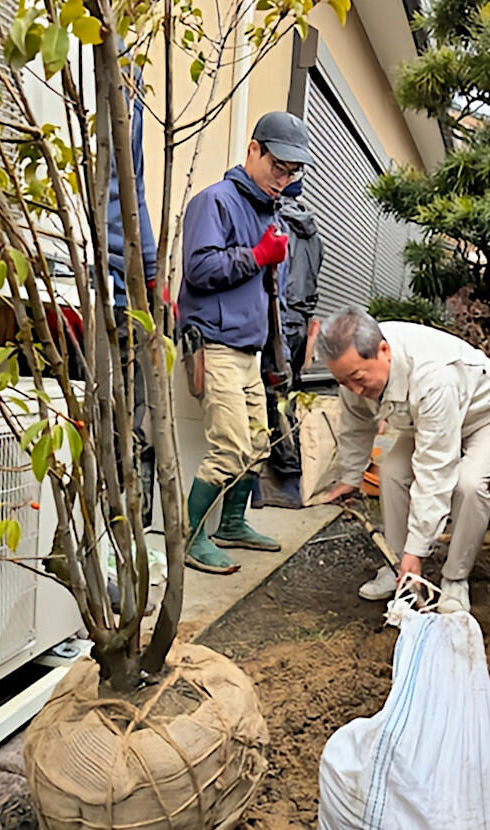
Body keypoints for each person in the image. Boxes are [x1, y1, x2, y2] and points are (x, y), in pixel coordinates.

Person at [317, 307, 490, 613]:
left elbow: (434, 471)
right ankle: (397, 566)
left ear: (384, 351)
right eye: (344, 381)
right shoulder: (353, 368)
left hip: (489, 414)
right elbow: (356, 427)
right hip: (421, 418)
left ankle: (455, 579)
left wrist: (418, 549)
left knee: (468, 485)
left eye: (358, 379)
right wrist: (350, 478)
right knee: (390, 469)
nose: (354, 390)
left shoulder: (433, 376)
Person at [177, 111, 315, 574]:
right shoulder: (213, 202)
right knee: (230, 447)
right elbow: (198, 269)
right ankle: (189, 540)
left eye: (292, 171)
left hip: (248, 351)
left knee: (258, 443)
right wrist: (257, 255)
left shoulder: (268, 210)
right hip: (213, 345)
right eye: (279, 165)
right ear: (253, 150)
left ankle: (231, 524)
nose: (284, 178)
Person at [107, 55, 158, 529]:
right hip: (82, 274)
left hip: (123, 285)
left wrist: (151, 272)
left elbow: (133, 183)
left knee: (131, 423)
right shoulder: (76, 57)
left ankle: (123, 544)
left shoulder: (127, 72)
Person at [256, 180, 324, 508]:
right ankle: (290, 477)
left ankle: (284, 482)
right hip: (300, 323)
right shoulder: (313, 232)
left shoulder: (278, 224)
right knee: (287, 396)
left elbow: (275, 280)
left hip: (279, 322)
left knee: (271, 398)